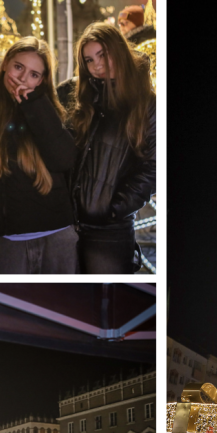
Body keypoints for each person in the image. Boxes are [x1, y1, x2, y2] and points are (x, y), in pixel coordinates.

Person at [0, 37, 77, 273]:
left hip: (56, 236)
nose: (22, 79)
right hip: (5, 241)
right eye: (19, 67)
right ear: (6, 63)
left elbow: (64, 159)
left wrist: (34, 104)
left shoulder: (48, 106)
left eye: (34, 74)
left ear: (42, 80)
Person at [68, 22, 156, 273]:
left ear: (118, 51)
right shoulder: (84, 99)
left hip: (109, 231)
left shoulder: (145, 104)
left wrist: (114, 209)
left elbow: (153, 167)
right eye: (89, 60)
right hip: (69, 226)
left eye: (102, 55)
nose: (96, 65)